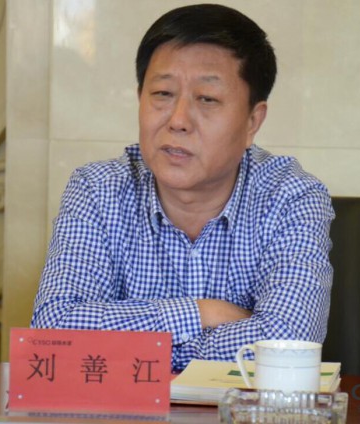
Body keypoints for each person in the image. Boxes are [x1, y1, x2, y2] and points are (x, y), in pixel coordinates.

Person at [31, 4, 334, 371]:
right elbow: (53, 332)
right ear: (140, 98)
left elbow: (288, 343)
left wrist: (131, 349)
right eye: (162, 94)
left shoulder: (291, 197)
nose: (178, 121)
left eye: (207, 99)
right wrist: (201, 312)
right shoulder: (97, 190)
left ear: (253, 121)